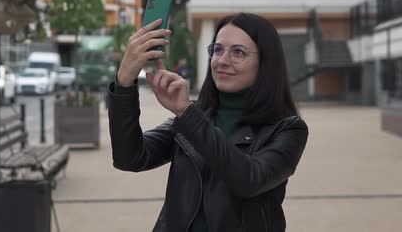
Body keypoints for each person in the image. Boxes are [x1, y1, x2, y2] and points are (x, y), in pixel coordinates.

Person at [108, 13, 309, 231]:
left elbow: (249, 180)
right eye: (218, 50)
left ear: (265, 63)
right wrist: (124, 83)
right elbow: (130, 158)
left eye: (238, 52)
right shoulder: (194, 117)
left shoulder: (288, 129)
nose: (222, 61)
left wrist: (187, 113)